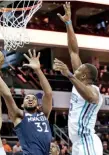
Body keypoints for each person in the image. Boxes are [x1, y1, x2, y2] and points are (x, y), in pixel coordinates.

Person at [53, 2, 103, 155]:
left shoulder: (94, 91)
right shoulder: (79, 80)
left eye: (79, 69)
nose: (76, 68)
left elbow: (90, 98)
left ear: (84, 75)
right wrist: (68, 23)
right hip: (77, 143)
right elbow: (73, 51)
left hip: (87, 140)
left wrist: (68, 74)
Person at [0, 49, 52, 155]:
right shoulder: (19, 116)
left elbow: (48, 93)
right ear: (22, 104)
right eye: (27, 98)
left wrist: (38, 70)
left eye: (33, 98)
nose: (30, 99)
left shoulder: (44, 114)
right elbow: (8, 95)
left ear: (38, 105)